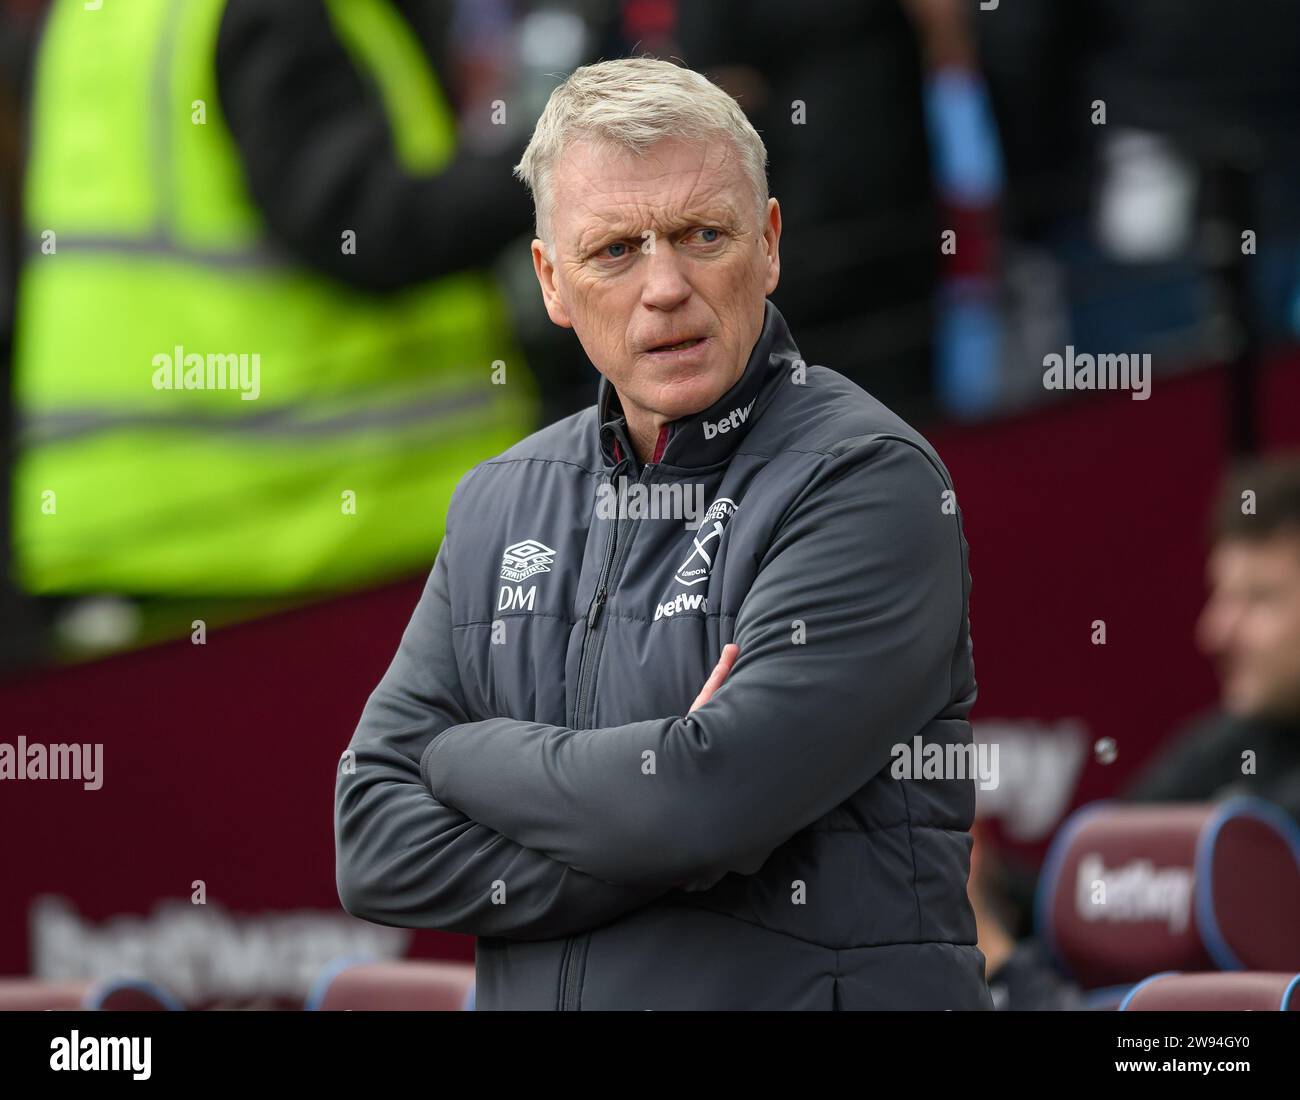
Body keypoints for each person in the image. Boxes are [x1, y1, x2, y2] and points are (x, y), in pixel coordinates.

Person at [335, 56, 990, 1010]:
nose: (666, 285)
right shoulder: (499, 499)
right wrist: (671, 831)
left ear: (768, 244)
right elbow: (372, 847)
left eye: (702, 235)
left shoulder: (869, 480)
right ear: (551, 283)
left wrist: (459, 756)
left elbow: (700, 806)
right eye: (616, 251)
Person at [10, 0, 535, 598]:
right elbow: (361, 229)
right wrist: (555, 163)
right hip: (300, 526)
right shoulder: (267, 13)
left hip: (120, 524)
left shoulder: (95, 16)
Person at [1123, 454, 1300, 822]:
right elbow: (1102, 864)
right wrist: (993, 877)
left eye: (1257, 597)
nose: (1215, 634)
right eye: (1221, 595)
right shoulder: (1219, 748)